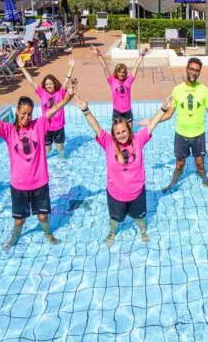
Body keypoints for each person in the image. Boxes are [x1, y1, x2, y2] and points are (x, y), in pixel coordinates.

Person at [0, 82, 77, 249]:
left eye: (29, 114)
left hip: (40, 183)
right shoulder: (9, 131)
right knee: (19, 220)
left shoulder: (38, 125)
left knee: (43, 217)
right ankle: (14, 237)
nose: (27, 117)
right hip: (19, 186)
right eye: (23, 113)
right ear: (17, 111)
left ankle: (48, 234)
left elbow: (54, 109)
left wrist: (68, 97)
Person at [73, 93, 173, 246]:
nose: (121, 135)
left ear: (129, 130)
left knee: (140, 218)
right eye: (118, 133)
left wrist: (163, 109)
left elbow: (152, 125)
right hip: (115, 194)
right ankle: (112, 233)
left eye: (124, 131)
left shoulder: (138, 140)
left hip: (137, 192)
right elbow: (96, 127)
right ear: (114, 134)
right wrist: (86, 110)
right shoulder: (108, 143)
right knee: (115, 219)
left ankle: (143, 232)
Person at [155, 57, 208, 192]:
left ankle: (205, 181)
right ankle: (172, 183)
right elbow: (169, 114)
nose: (193, 72)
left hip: (198, 135)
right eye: (191, 69)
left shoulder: (204, 90)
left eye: (197, 70)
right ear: (187, 69)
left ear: (199, 72)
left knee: (200, 164)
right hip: (181, 135)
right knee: (179, 165)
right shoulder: (177, 89)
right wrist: (152, 121)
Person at [17, 53, 77, 155]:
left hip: (59, 127)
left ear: (54, 84)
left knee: (60, 149)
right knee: (47, 150)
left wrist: (71, 67)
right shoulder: (42, 93)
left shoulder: (60, 92)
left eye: (50, 84)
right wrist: (23, 68)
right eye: (46, 84)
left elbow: (67, 80)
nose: (48, 86)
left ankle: (63, 162)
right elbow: (31, 81)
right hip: (46, 127)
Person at [92, 44, 147, 125]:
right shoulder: (112, 81)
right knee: (116, 132)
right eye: (119, 72)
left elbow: (136, 66)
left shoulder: (129, 80)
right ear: (116, 72)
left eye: (123, 72)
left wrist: (142, 54)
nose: (121, 74)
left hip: (127, 111)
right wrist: (99, 55)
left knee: (130, 133)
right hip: (117, 112)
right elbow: (105, 66)